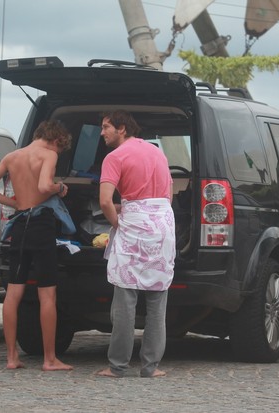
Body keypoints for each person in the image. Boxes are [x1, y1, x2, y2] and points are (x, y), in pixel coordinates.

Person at [0, 120, 74, 372]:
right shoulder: (49, 154)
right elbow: (44, 186)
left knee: (13, 292)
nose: (59, 152)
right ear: (57, 140)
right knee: (47, 294)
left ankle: (11, 357)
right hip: (41, 227)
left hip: (19, 225)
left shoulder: (12, 156)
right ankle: (49, 359)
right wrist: (59, 188)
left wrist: (11, 201)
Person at [96, 110, 176, 378]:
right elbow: (169, 191)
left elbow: (105, 201)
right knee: (157, 300)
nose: (102, 132)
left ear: (122, 129)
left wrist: (119, 222)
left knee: (125, 301)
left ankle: (118, 366)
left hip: (134, 225)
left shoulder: (114, 157)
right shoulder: (157, 152)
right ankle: (150, 367)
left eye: (106, 127)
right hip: (163, 223)